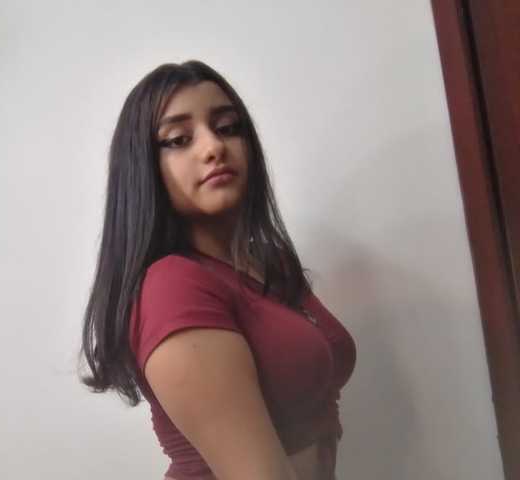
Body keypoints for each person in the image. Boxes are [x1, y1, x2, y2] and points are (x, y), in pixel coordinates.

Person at [78, 60, 356, 480]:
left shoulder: (271, 263)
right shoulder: (173, 287)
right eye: (179, 139)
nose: (213, 147)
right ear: (143, 168)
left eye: (227, 127)